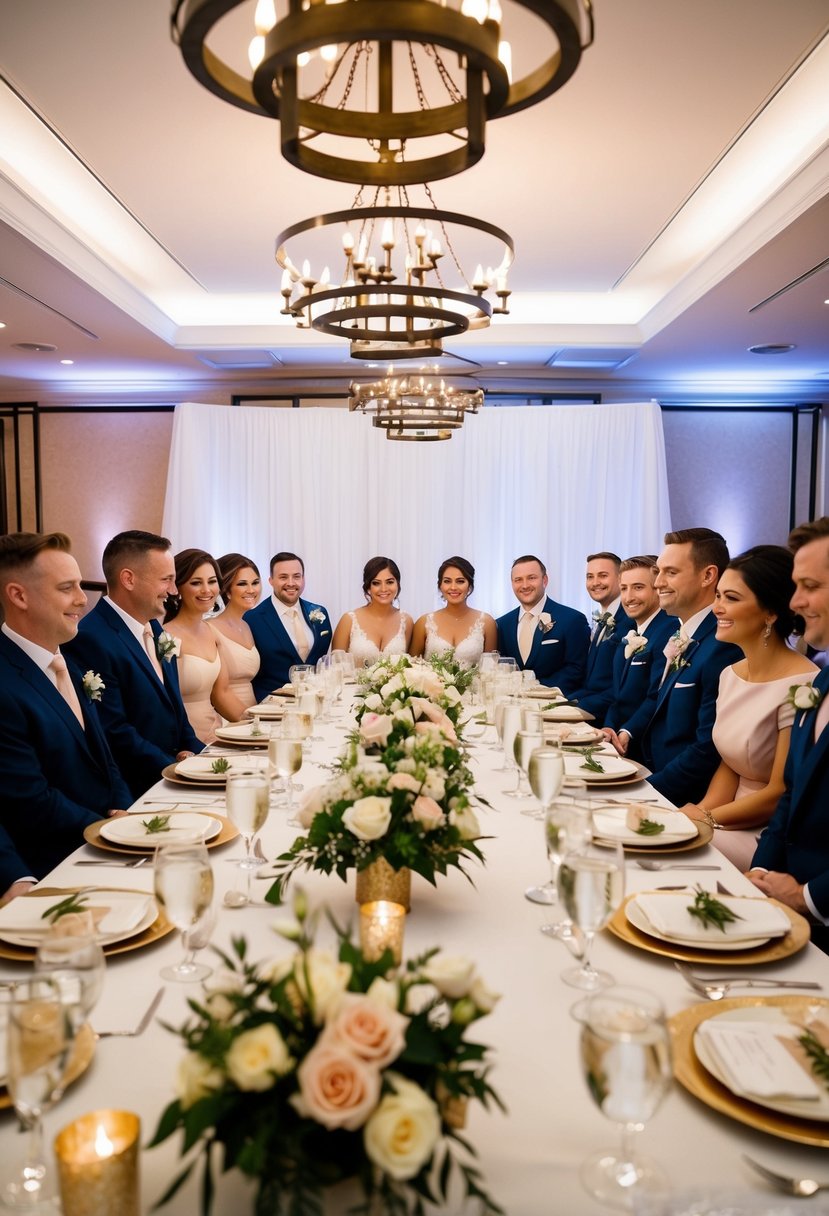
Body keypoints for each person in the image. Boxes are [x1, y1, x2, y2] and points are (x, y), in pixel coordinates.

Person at [0, 532, 131, 898]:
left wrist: (123, 806)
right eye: (66, 588)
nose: (82, 599)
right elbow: (31, 798)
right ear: (19, 595)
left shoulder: (68, 664)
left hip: (106, 844)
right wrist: (109, 829)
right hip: (55, 864)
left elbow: (105, 759)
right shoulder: (5, 683)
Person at [675, 546, 816, 869]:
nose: (716, 608)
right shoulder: (730, 675)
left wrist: (705, 818)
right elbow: (730, 763)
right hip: (727, 816)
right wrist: (699, 812)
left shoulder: (804, 685)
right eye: (719, 596)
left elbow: (779, 791)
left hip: (769, 833)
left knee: (669, 856)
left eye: (731, 598)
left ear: (771, 612)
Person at [605, 528, 741, 804]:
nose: (658, 583)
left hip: (683, 795)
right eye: (658, 572)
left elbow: (708, 747)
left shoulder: (723, 645)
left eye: (670, 572)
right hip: (649, 767)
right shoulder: (680, 634)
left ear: (708, 576)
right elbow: (656, 698)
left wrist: (643, 792)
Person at [66, 530, 203, 799]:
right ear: (128, 579)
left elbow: (176, 708)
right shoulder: (92, 638)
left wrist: (203, 757)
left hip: (179, 775)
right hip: (141, 787)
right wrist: (175, 767)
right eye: (167, 580)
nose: (174, 591)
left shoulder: (154, 626)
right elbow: (114, 729)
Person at [748, 518, 829, 951]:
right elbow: (791, 798)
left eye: (810, 585)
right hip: (785, 899)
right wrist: (758, 875)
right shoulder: (818, 685)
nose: (796, 602)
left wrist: (806, 897)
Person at [164, 548, 236, 744]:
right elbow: (165, 703)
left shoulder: (211, 631)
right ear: (177, 587)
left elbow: (223, 693)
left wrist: (256, 724)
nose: (207, 590)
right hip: (183, 739)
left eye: (212, 581)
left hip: (217, 732)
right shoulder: (166, 637)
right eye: (196, 583)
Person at [603, 556, 676, 735]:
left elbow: (656, 696)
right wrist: (609, 727)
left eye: (638, 587)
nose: (629, 597)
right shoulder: (631, 633)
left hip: (643, 742)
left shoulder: (669, 631)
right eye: (624, 589)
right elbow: (618, 697)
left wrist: (628, 731)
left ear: (658, 588)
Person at [495, 555, 589, 693]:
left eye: (531, 578)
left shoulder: (572, 619)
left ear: (545, 580)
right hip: (512, 706)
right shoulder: (502, 624)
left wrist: (537, 689)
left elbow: (577, 668)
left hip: (556, 707)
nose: (525, 585)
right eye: (518, 580)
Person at [246, 552, 332, 700]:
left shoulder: (319, 612)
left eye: (297, 576)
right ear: (271, 580)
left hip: (316, 700)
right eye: (283, 577)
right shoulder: (252, 619)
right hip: (272, 706)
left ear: (303, 579)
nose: (291, 583)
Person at [570, 551, 634, 719]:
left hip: (609, 718)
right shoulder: (604, 618)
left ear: (620, 579)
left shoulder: (630, 621)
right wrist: (564, 702)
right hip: (592, 705)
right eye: (590, 577)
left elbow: (621, 686)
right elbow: (593, 682)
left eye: (603, 576)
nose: (595, 583)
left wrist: (574, 709)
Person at [410, 556, 497, 665]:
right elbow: (411, 668)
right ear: (440, 585)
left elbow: (491, 671)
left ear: (469, 585)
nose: (453, 587)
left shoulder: (487, 622)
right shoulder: (424, 623)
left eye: (460, 581)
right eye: (447, 581)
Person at [331, 557, 414, 666]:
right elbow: (335, 669)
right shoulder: (348, 620)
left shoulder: (406, 621)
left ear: (397, 584)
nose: (384, 589)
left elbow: (410, 667)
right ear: (368, 587)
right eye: (376, 583)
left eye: (389, 582)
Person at [211, 553, 262, 715]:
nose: (251, 590)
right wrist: (250, 725)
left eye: (255, 583)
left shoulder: (246, 626)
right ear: (226, 590)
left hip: (253, 712)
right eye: (242, 584)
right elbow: (217, 693)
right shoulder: (210, 628)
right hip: (228, 718)